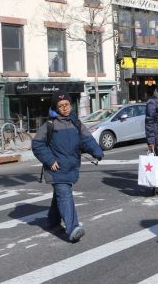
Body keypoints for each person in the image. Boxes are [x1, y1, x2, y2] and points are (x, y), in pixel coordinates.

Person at [32, 91, 104, 243]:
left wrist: (96, 151)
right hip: (56, 168)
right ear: (55, 108)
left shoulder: (76, 123)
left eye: (67, 104)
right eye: (61, 106)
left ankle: (52, 222)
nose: (65, 108)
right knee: (65, 195)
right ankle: (73, 229)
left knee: (59, 196)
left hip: (71, 167)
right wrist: (50, 160)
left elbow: (87, 139)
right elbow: (37, 144)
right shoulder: (49, 125)